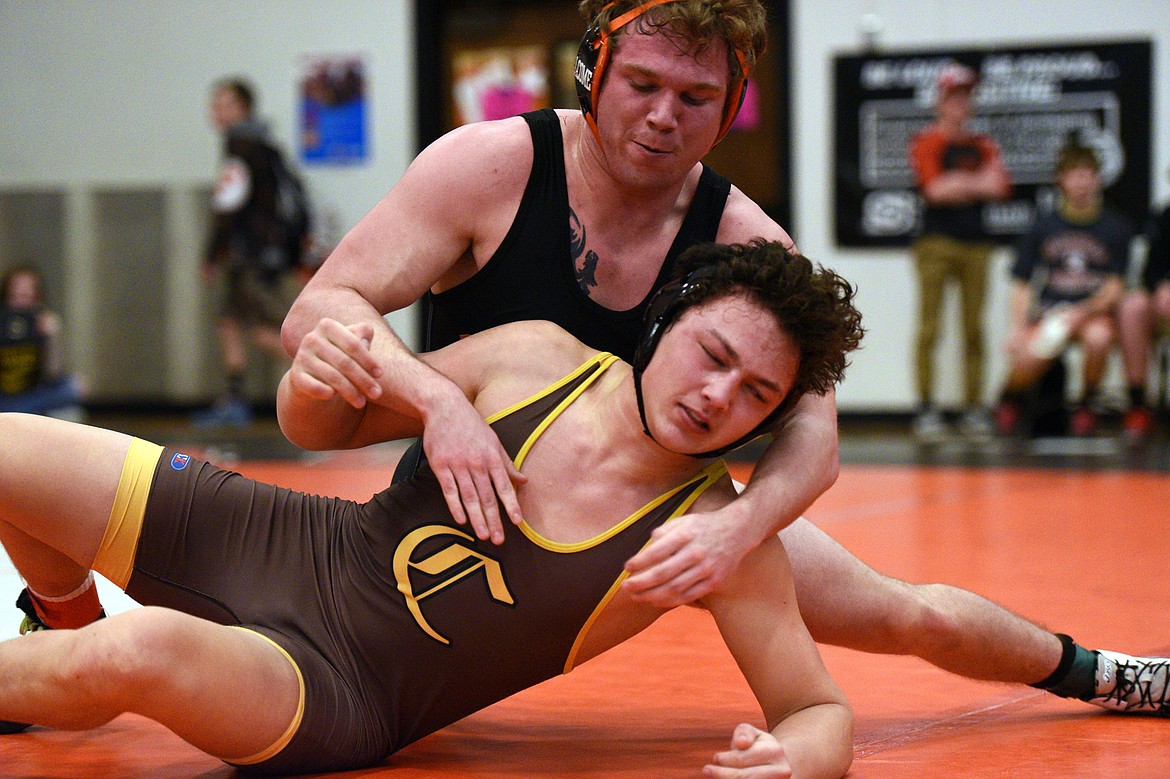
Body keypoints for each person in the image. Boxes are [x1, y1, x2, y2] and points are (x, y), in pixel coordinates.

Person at [281, 0, 1169, 718]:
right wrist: (440, 405)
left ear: (730, 102)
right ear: (594, 68)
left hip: (663, 515)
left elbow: (813, 442)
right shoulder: (490, 167)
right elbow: (320, 307)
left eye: (697, 98)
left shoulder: (750, 245)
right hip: (479, 489)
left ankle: (1104, 671)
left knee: (905, 611)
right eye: (642, 84)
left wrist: (732, 532)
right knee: (309, 396)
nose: (664, 117)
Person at [0, 242, 859, 777]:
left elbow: (818, 707)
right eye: (713, 355)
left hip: (334, 689)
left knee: (136, 649)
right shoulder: (535, 360)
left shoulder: (716, 535)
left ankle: (74, 648)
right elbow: (323, 423)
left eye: (756, 393)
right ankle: (63, 613)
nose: (717, 397)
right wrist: (318, 379)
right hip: (284, 542)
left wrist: (800, 761)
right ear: (668, 320)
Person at [994, 141, 1132, 437]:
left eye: (1087, 174)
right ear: (1061, 180)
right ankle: (1009, 401)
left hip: (1092, 312)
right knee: (1032, 351)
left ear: (1097, 178)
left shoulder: (1115, 226)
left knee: (1099, 338)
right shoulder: (1043, 225)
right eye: (1074, 174)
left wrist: (1081, 312)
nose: (1081, 182)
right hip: (1052, 310)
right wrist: (1017, 327)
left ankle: (1086, 405)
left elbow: (1114, 287)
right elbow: (1023, 281)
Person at [907, 61, 1013, 442]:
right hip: (935, 244)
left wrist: (958, 183)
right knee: (930, 327)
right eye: (954, 97)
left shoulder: (983, 144)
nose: (961, 105)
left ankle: (973, 409)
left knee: (974, 328)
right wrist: (974, 183)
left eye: (966, 97)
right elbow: (934, 190)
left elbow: (1000, 185)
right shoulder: (927, 141)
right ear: (941, 99)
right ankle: (926, 409)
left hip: (977, 245)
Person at [195, 77, 305, 427]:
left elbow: (229, 205)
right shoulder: (261, 144)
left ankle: (322, 374)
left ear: (242, 108)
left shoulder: (240, 147)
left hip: (250, 256)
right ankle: (235, 398)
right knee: (229, 322)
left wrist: (212, 255)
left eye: (223, 102)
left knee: (261, 329)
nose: (215, 110)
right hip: (256, 254)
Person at [1117, 190, 1170, 439]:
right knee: (1133, 306)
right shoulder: (1165, 216)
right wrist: (1162, 286)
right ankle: (1137, 402)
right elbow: (1150, 273)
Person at [0, 265, 84, 420]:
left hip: (34, 396)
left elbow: (53, 373)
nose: (21, 303)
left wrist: (53, 337)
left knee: (72, 388)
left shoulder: (45, 323)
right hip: (4, 398)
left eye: (27, 297)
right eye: (15, 296)